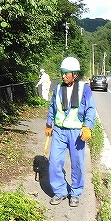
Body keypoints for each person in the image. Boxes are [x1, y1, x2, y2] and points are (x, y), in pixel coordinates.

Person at [44, 57, 96, 207]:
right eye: (62, 72)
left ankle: (75, 192)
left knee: (78, 163)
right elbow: (53, 107)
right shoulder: (58, 88)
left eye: (67, 73)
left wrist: (87, 126)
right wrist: (49, 124)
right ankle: (60, 191)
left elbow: (91, 109)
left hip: (76, 133)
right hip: (59, 131)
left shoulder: (84, 89)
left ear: (75, 74)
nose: (63, 76)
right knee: (54, 161)